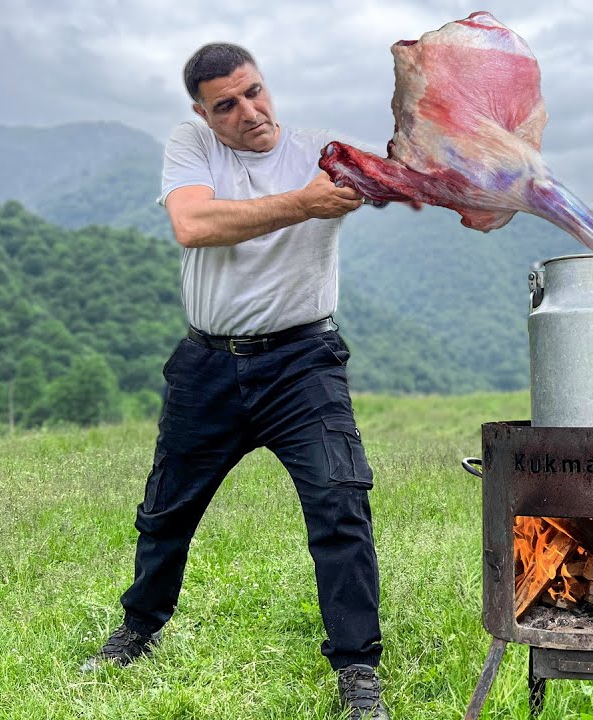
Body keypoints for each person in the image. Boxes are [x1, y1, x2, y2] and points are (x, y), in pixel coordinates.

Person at [81, 42, 389, 720]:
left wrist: (460, 174)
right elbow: (192, 224)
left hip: (303, 363)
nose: (249, 111)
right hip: (207, 365)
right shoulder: (192, 145)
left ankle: (358, 669)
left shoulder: (319, 152)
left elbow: (407, 175)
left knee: (340, 501)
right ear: (203, 112)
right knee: (167, 508)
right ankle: (139, 628)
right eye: (228, 104)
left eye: (254, 91)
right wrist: (305, 205)